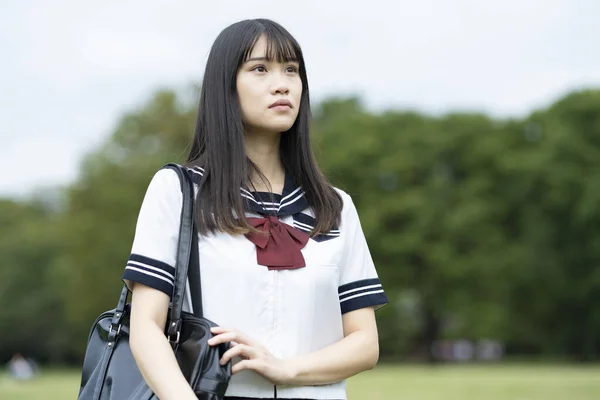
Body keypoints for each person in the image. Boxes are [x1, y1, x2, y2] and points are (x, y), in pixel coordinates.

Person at [122, 18, 388, 400]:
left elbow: (364, 342)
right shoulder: (179, 192)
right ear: (225, 86)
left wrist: (287, 368)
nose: (282, 83)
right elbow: (146, 327)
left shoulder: (336, 206)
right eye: (260, 69)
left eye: (291, 70)